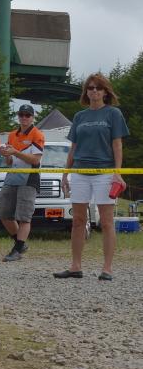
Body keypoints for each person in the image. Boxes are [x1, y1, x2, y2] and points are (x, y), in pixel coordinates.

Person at [56, 75, 129, 281]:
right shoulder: (80, 116)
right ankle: (75, 266)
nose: (94, 91)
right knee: (78, 220)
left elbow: (117, 145)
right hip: (80, 172)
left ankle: (107, 269)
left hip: (104, 173)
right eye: (90, 88)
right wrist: (65, 173)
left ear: (106, 92)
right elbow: (74, 147)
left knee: (106, 222)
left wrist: (117, 172)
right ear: (86, 92)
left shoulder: (113, 114)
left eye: (98, 88)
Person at [0, 104, 44, 262]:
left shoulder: (37, 134)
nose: (24, 117)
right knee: (3, 213)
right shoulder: (12, 135)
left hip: (29, 177)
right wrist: (6, 155)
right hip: (13, 175)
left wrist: (15, 152)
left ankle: (17, 249)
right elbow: (10, 161)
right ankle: (20, 244)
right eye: (21, 114)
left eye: (27, 115)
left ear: (32, 117)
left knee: (24, 216)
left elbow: (36, 159)